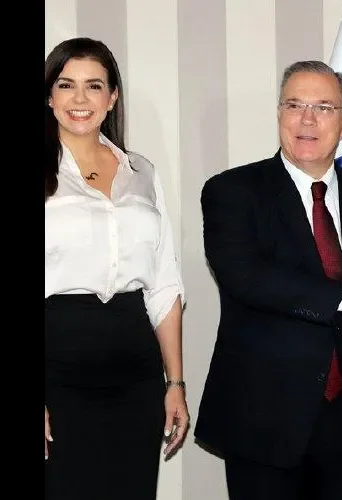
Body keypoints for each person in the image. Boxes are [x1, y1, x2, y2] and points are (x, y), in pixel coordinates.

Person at [193, 60, 342, 500]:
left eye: (323, 107)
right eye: (294, 105)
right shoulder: (232, 192)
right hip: (265, 417)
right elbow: (247, 278)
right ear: (279, 113)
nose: (307, 119)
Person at [44, 37, 189, 500]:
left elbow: (164, 284)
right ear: (49, 96)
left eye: (94, 86)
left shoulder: (141, 171)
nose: (80, 100)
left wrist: (176, 384)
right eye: (66, 85)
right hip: (57, 358)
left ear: (112, 98)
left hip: (135, 365)